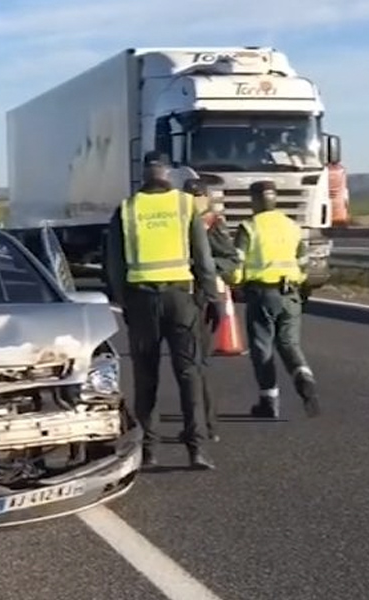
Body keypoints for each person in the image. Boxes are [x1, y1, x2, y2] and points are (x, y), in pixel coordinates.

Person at [104, 151, 222, 470]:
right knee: (189, 374)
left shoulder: (127, 210)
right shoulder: (185, 206)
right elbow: (203, 258)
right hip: (181, 300)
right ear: (168, 174)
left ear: (143, 174)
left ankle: (148, 450)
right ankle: (196, 449)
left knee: (146, 378)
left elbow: (114, 267)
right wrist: (212, 298)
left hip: (142, 302)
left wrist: (124, 302)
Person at [232, 180, 321, 419]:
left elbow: (236, 265)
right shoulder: (292, 226)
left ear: (254, 200)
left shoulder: (249, 227)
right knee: (289, 344)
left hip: (262, 294)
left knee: (262, 348)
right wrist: (298, 281)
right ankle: (304, 376)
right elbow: (303, 263)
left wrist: (236, 282)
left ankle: (269, 401)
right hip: (290, 293)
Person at [183, 178, 240, 442]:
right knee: (189, 364)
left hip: (205, 296)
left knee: (198, 364)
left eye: (198, 195)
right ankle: (196, 425)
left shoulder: (214, 223)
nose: (195, 200)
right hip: (180, 296)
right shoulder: (178, 221)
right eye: (190, 195)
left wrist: (204, 265)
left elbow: (230, 259)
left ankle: (206, 426)